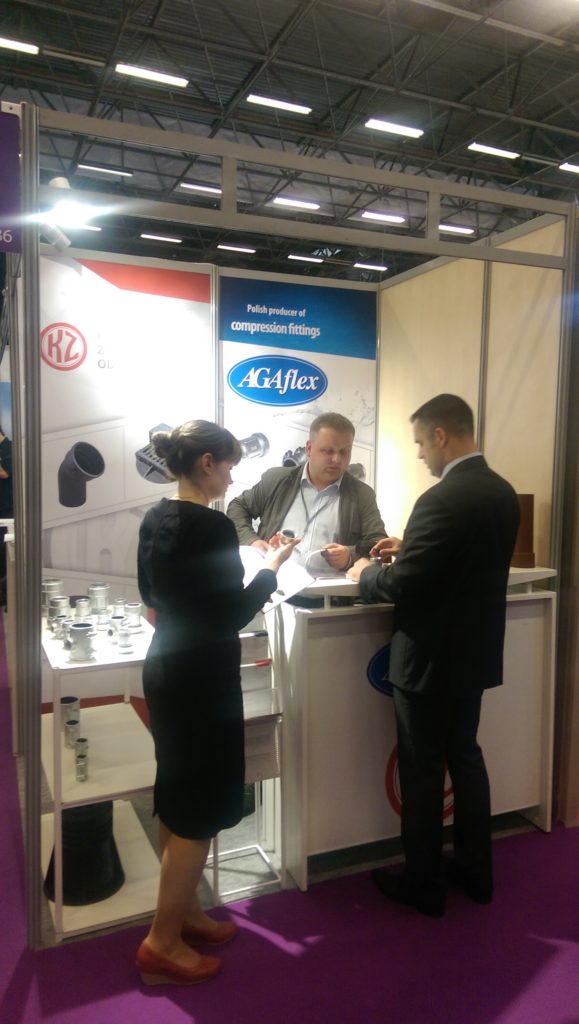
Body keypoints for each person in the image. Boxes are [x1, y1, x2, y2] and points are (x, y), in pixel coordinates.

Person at [136, 420, 297, 986]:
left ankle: (183, 914)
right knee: (200, 807)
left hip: (167, 666)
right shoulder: (211, 526)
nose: (232, 477)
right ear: (206, 463)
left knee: (178, 796)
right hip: (202, 676)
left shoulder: (156, 516)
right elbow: (231, 613)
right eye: (228, 466)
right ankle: (161, 943)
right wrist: (271, 571)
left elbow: (152, 597)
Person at [348, 394, 519, 918]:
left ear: (441, 435)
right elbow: (463, 561)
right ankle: (475, 871)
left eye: (422, 442)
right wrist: (412, 546)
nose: (421, 453)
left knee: (422, 770)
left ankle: (423, 883)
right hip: (474, 653)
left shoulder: (441, 499)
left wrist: (364, 574)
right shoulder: (502, 491)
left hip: (427, 660)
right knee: (466, 757)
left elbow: (405, 585)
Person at [227, 412, 387, 579]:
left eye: (344, 452)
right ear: (309, 449)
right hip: (273, 586)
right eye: (328, 451)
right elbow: (237, 507)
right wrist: (252, 541)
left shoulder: (362, 494)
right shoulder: (276, 479)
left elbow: (379, 543)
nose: (337, 459)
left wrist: (350, 555)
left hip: (329, 593)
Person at [0, 425, 13, 608]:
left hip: (7, 512)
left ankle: (6, 597)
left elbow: (5, 473)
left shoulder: (10, 448)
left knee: (4, 556)